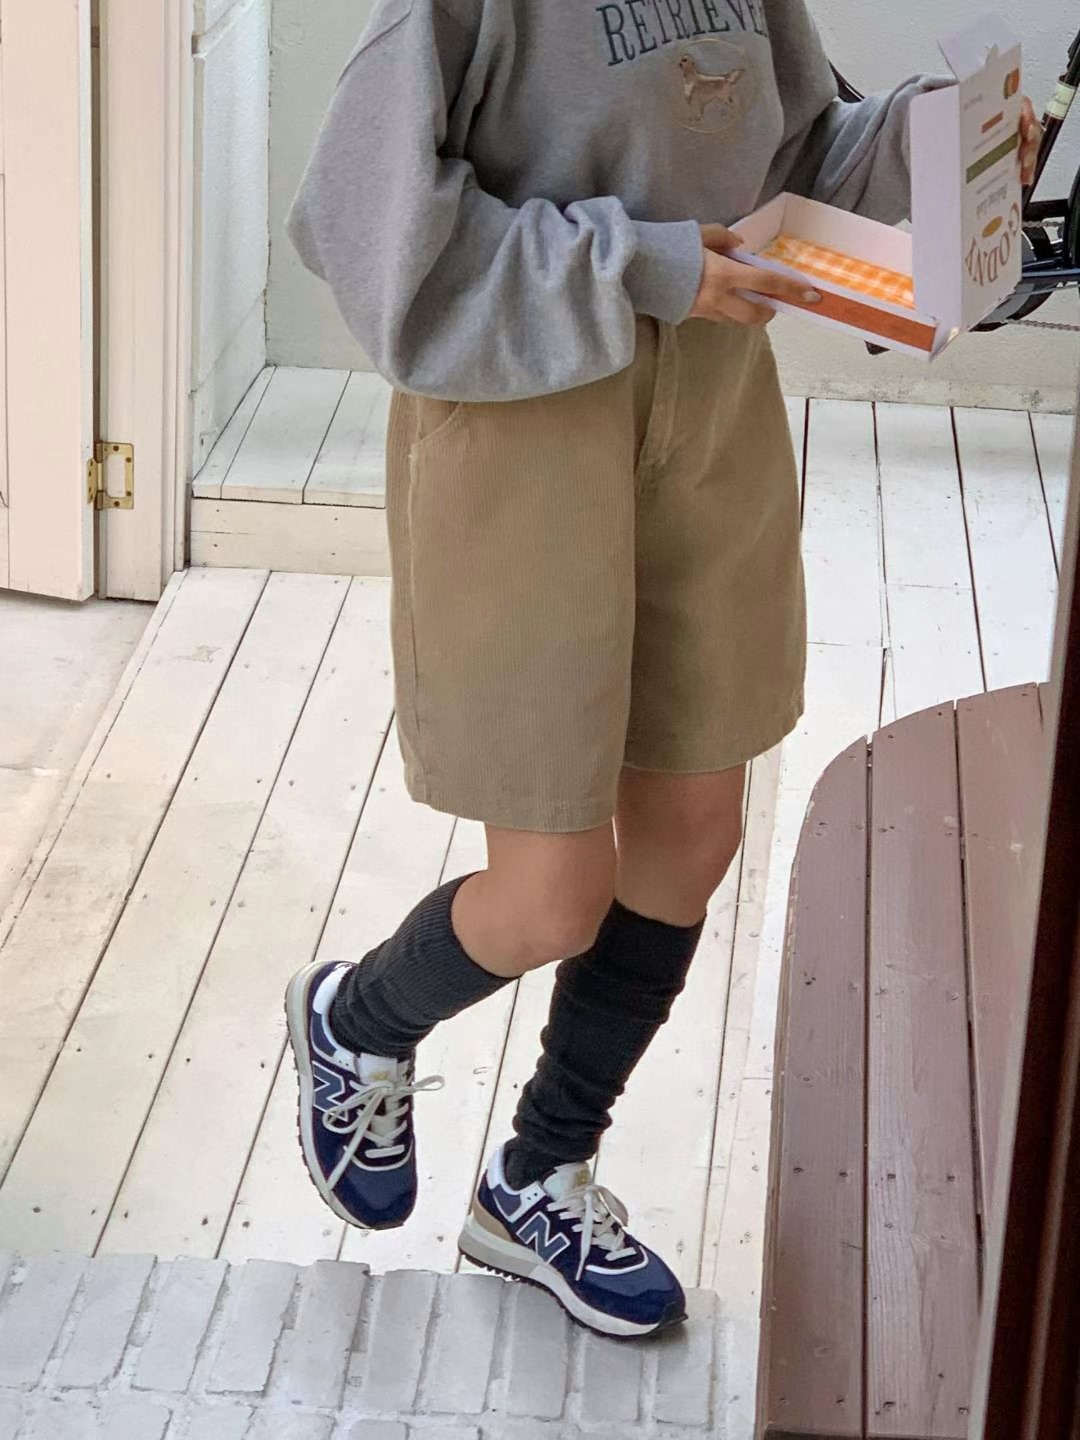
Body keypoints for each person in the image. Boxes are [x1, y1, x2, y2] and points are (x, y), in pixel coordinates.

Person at [282, 0, 1043, 1339]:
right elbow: (372, 229)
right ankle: (358, 1016)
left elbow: (799, 151)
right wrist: (642, 265)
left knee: (690, 837)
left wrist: (946, 146)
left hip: (712, 412)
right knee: (552, 895)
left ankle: (538, 1179)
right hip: (523, 429)